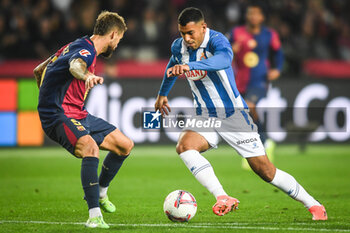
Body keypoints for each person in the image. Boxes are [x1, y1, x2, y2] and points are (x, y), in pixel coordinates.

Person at [154, 7, 327, 220]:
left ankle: (314, 205)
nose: (187, 38)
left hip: (233, 115)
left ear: (203, 27)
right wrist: (162, 94)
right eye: (183, 33)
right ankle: (222, 197)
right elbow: (174, 65)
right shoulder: (178, 47)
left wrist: (190, 66)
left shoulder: (218, 41)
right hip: (204, 115)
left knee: (266, 171)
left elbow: (223, 61)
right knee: (185, 146)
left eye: (191, 33)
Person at [33, 11, 133, 229]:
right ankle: (94, 215)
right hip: (58, 115)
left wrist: (49, 89)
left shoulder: (74, 44)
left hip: (78, 114)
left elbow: (38, 69)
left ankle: (101, 192)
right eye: (119, 40)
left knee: (124, 145)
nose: (117, 46)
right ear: (113, 34)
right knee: (90, 148)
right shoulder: (86, 52)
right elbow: (75, 66)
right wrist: (87, 75)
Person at [227, 3, 284, 168]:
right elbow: (222, 50)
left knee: (249, 106)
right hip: (240, 81)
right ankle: (257, 146)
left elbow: (279, 53)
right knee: (242, 115)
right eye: (250, 14)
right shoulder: (236, 33)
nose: (253, 17)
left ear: (262, 17)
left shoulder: (269, 34)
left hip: (260, 80)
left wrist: (277, 69)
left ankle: (262, 143)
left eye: (256, 14)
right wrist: (231, 49)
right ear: (247, 16)